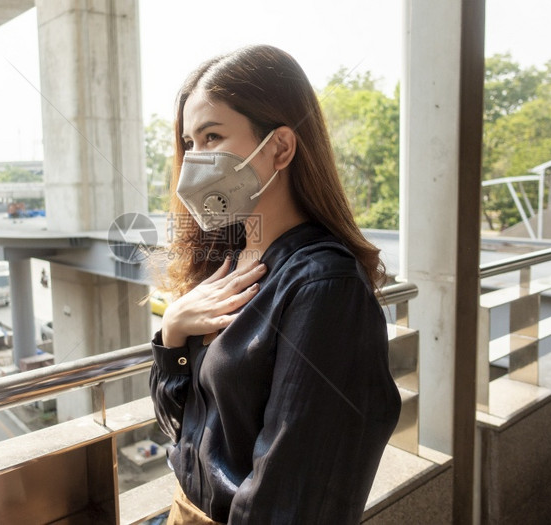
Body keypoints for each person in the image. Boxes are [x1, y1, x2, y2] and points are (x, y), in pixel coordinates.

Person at [149, 45, 401, 524]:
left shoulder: (324, 287)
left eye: (212, 136)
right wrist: (173, 334)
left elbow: (293, 501)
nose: (193, 162)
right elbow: (182, 426)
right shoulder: (226, 261)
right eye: (189, 143)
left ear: (280, 148)